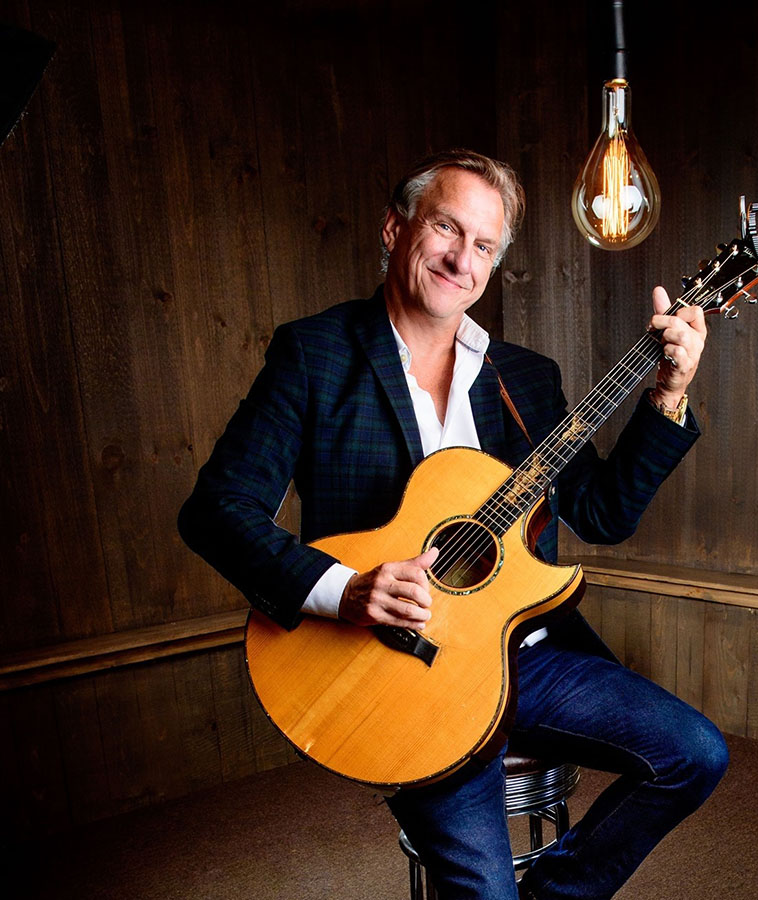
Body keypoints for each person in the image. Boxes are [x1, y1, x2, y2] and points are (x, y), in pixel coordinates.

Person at [178, 149, 728, 900]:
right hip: (403, 673)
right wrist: (347, 590)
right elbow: (217, 511)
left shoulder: (525, 377)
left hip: (527, 659)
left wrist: (667, 394)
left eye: (484, 245)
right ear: (395, 229)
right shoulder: (315, 354)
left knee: (695, 754)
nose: (461, 259)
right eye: (445, 227)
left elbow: (601, 514)